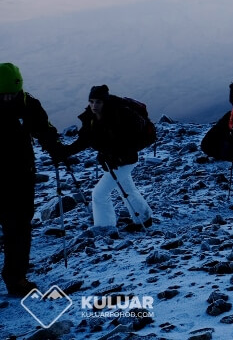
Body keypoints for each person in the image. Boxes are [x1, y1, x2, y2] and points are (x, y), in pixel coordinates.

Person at [0, 63, 59, 297]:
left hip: (21, 177)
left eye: (11, 94)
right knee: (16, 229)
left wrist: (56, 149)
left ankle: (16, 279)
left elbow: (44, 129)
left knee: (19, 228)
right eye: (2, 94)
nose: (7, 98)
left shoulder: (27, 104)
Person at [61, 85, 154, 231]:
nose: (94, 105)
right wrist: (65, 152)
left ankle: (105, 228)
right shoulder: (91, 118)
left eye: (98, 102)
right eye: (91, 101)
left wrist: (115, 156)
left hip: (125, 160)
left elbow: (129, 141)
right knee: (127, 188)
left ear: (105, 102)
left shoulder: (119, 115)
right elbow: (84, 140)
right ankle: (145, 218)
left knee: (99, 194)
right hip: (112, 161)